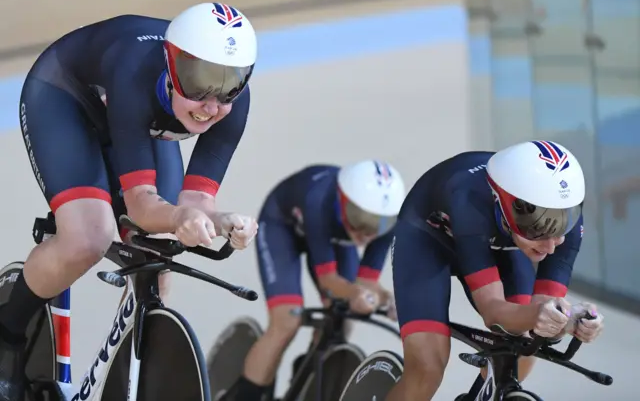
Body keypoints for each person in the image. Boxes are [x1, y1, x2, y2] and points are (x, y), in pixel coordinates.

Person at [0, 2, 259, 401]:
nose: (211, 105)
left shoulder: (233, 105)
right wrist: (179, 216)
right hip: (65, 96)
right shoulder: (135, 74)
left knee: (158, 258)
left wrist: (224, 221)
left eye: (227, 87)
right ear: (171, 66)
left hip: (141, 122)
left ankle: (126, 380)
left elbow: (195, 202)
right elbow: (143, 207)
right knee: (89, 237)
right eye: (200, 82)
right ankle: (7, 336)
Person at [386, 141, 605, 401]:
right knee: (427, 368)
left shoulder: (567, 220)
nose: (549, 246)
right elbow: (494, 312)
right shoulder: (470, 201)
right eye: (537, 227)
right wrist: (545, 317)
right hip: (427, 241)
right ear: (501, 203)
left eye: (559, 228)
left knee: (524, 346)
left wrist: (572, 321)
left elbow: (544, 314)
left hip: (498, 241)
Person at [223, 161, 406, 400]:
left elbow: (366, 282)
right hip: (282, 227)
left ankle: (305, 372)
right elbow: (329, 281)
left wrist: (387, 299)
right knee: (287, 322)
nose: (366, 233)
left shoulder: (386, 225)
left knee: (343, 319)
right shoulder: (318, 199)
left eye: (378, 224)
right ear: (342, 199)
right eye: (359, 218)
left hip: (334, 237)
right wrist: (358, 295)